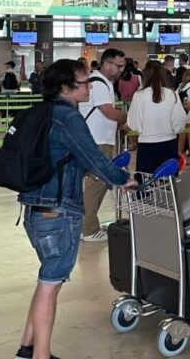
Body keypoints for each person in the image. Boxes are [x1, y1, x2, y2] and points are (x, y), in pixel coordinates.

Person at [14, 59, 136, 359]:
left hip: (35, 209)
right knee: (49, 284)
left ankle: (27, 348)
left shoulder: (43, 112)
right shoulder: (68, 118)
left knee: (47, 282)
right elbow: (93, 157)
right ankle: (41, 355)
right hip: (58, 211)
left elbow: (72, 159)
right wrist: (123, 179)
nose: (89, 87)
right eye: (84, 83)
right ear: (67, 87)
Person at [78, 48, 130, 243]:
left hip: (101, 138)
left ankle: (89, 224)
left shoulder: (103, 81)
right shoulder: (98, 83)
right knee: (96, 184)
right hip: (97, 140)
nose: (121, 69)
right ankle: (88, 229)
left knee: (99, 184)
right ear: (106, 64)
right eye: (118, 65)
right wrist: (130, 118)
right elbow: (108, 112)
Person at [127, 61, 185, 175]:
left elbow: (133, 123)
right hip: (169, 144)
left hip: (146, 145)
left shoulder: (139, 95)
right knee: (169, 184)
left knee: (145, 184)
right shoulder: (171, 94)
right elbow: (179, 122)